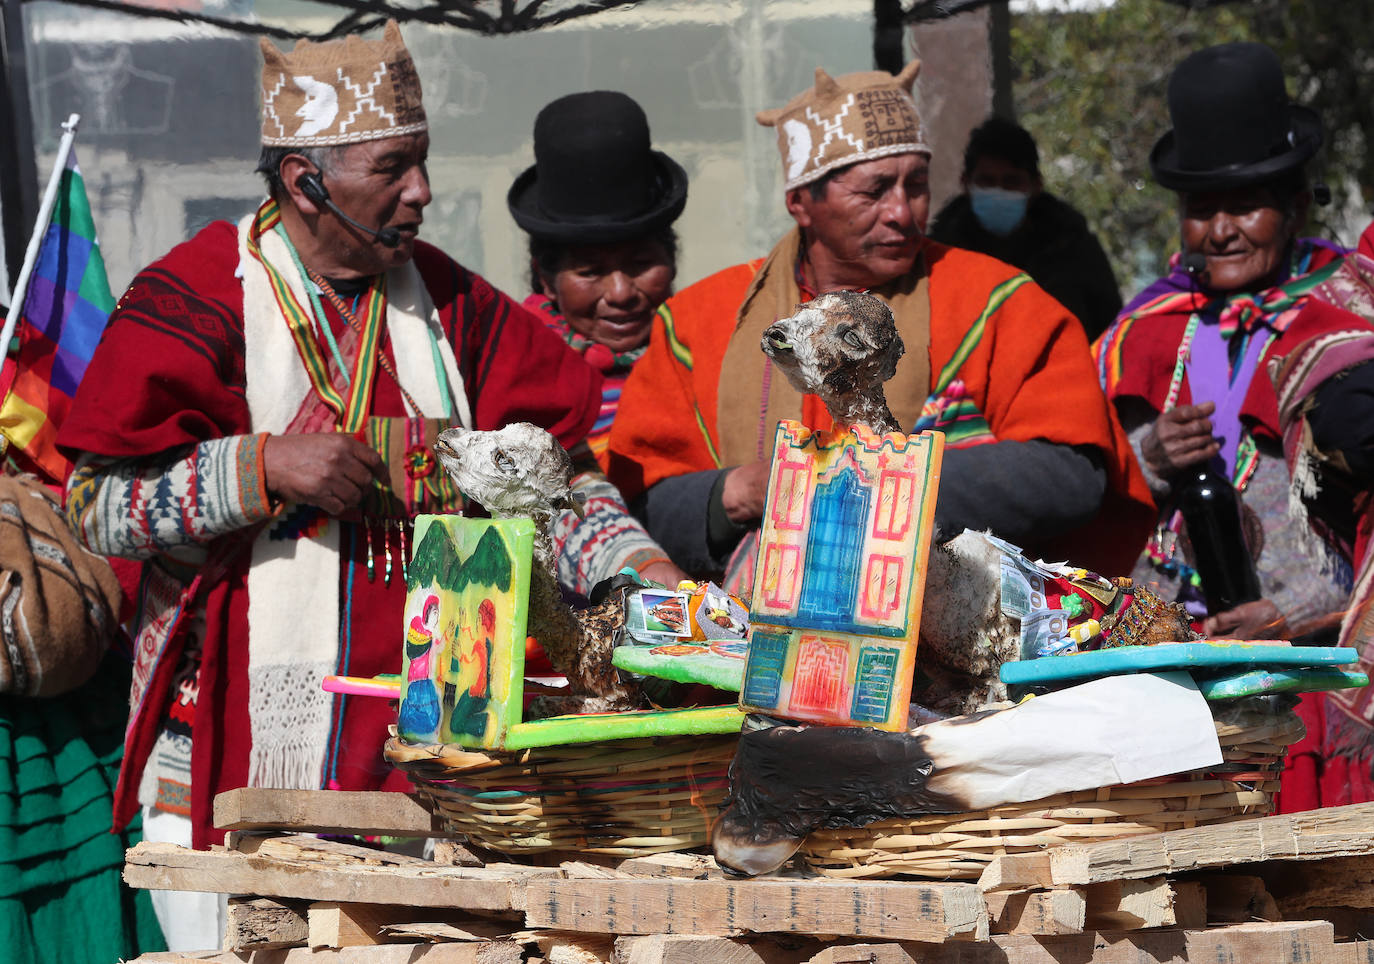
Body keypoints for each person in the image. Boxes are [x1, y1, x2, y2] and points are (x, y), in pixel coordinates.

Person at [56, 22, 639, 945]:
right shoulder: (202, 295)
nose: (423, 192)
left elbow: (550, 475)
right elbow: (94, 507)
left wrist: (642, 582)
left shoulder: (450, 305)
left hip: (434, 758)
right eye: (394, 168)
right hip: (232, 758)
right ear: (305, 182)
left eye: (423, 163)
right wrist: (256, 468)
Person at [606, 62, 1153, 593]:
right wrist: (742, 492)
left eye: (916, 184)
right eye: (873, 192)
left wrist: (863, 482)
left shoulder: (998, 300)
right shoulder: (701, 318)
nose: (903, 212)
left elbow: (1072, 472)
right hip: (737, 645)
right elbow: (639, 498)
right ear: (801, 203)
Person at [1094, 42, 1359, 642]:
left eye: (1244, 208)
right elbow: (1093, 479)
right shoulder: (1148, 323)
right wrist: (1148, 457)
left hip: (1314, 649)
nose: (1219, 232)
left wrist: (1296, 614)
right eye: (1201, 209)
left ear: (1294, 208)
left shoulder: (1349, 317)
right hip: (1161, 646)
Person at [508, 90, 689, 595]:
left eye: (641, 263)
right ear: (546, 278)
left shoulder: (702, 353)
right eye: (589, 272)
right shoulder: (517, 374)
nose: (621, 293)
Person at [928, 116, 1122, 341]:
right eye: (986, 181)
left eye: (1011, 182)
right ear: (966, 183)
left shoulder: (1073, 249)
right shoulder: (941, 256)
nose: (998, 192)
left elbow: (1109, 333)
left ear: (1035, 185)